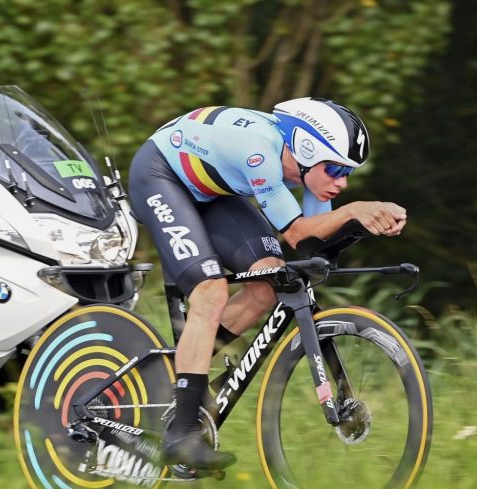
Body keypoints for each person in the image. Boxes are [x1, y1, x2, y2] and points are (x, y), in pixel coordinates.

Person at [127, 99, 407, 469]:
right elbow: (297, 232)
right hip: (160, 175)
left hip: (211, 192)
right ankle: (181, 432)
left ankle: (180, 380)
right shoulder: (258, 152)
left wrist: (364, 224)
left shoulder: (307, 172)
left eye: (348, 172)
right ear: (307, 150)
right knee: (211, 292)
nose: (343, 182)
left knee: (267, 281)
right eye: (336, 168)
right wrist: (356, 210)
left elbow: (311, 246)